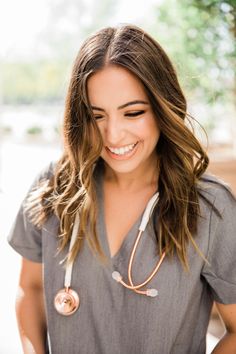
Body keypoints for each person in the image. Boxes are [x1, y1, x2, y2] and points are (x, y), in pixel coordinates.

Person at [8, 24, 236, 354]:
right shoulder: (54, 187)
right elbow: (29, 289)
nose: (113, 135)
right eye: (96, 115)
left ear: (163, 107)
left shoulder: (211, 207)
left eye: (133, 112)